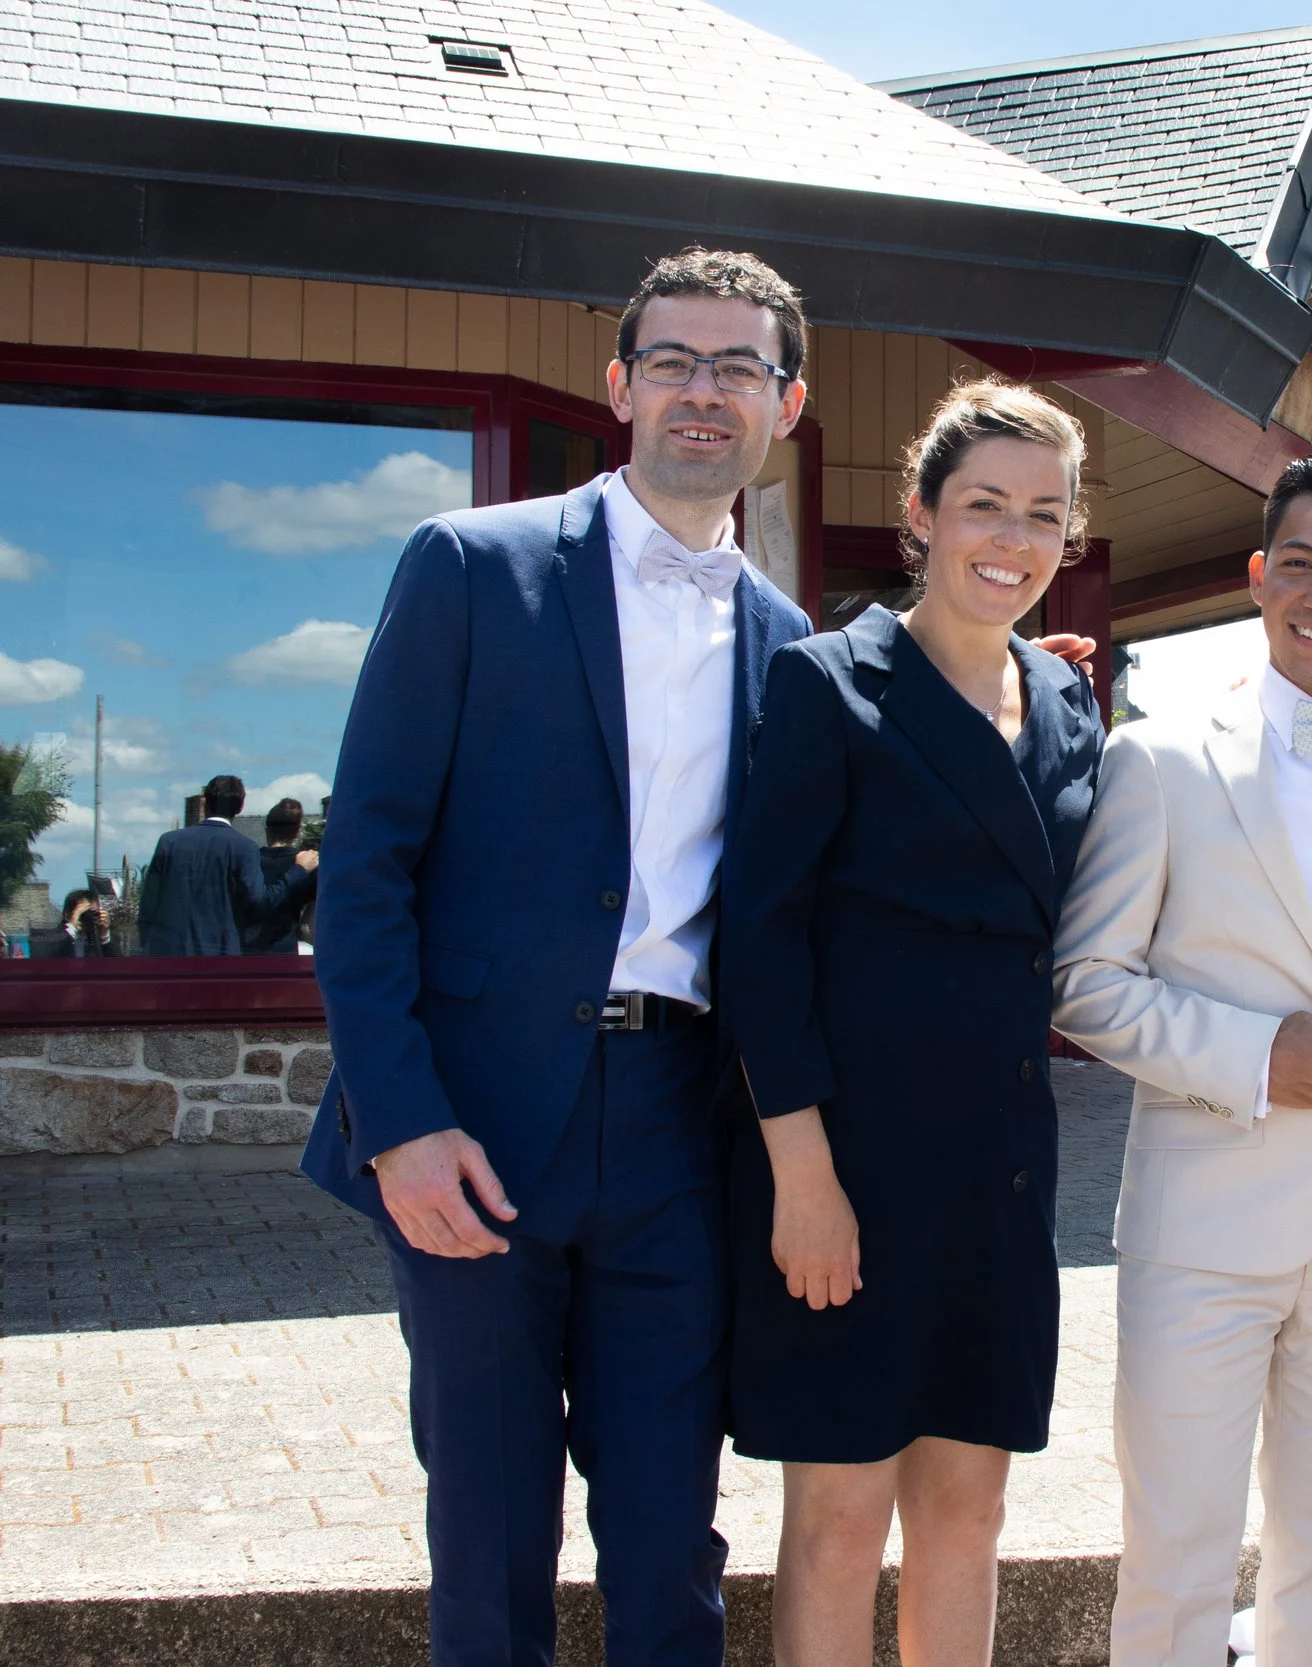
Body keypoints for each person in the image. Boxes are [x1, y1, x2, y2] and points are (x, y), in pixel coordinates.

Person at [297, 249, 821, 1667]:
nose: (703, 391)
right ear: (620, 384)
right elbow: (366, 870)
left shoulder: (795, 648)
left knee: (670, 1546)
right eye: (674, 360)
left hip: (676, 1135)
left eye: (737, 368)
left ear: (786, 402)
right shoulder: (473, 566)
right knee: (488, 1541)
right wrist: (397, 1118)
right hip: (475, 1122)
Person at [1054, 450, 1312, 1667]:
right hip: (1203, 1226)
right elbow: (1085, 982)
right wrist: (1252, 1055)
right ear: (1256, 576)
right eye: (1298, 566)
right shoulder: (1164, 758)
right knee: (1173, 1553)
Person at [718, 379, 1105, 1667]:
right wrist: (802, 1176)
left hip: (997, 1164)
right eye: (984, 503)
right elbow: (757, 941)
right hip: (849, 1161)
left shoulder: (1065, 704)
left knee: (971, 1503)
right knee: (837, 1516)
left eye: (1043, 512)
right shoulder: (829, 682)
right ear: (921, 514)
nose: (1013, 536)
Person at [135, 774, 316, 956]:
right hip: (220, 955)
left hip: (167, 952)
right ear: (240, 807)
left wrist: (147, 943)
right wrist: (298, 872)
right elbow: (258, 903)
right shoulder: (244, 847)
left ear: (206, 802)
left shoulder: (169, 841)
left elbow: (149, 902)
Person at [242, 797, 315, 954]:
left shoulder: (249, 861)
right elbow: (309, 923)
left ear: (266, 829)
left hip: (247, 951)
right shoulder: (308, 864)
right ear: (299, 831)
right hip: (285, 950)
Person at [30, 888, 127, 958]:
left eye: (93, 912)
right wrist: (71, 928)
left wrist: (104, 936)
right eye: (83, 912)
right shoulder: (47, 937)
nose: (88, 916)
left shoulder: (103, 940)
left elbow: (118, 968)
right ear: (67, 915)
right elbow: (40, 954)